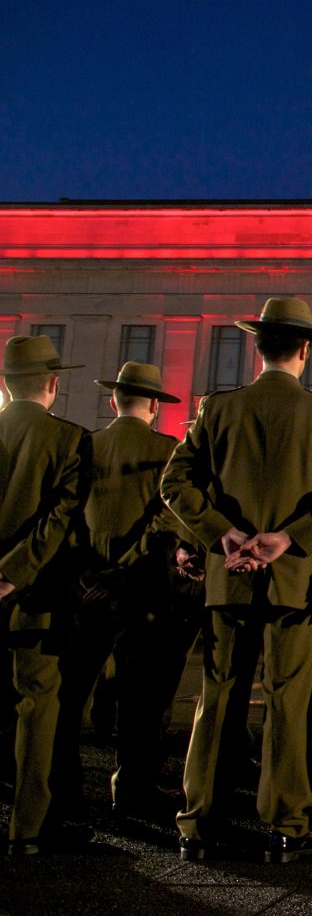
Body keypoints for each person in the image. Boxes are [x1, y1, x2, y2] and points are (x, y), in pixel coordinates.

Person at [161, 298, 312, 862]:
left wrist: (224, 534)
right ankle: (284, 823)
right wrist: (290, 538)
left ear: (257, 348)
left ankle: (197, 824)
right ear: (305, 350)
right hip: (293, 582)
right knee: (287, 699)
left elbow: (175, 483)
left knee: (218, 695)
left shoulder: (218, 409)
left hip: (228, 576)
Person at [54, 362, 185, 826]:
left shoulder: (86, 445)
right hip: (144, 587)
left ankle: (65, 792)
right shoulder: (167, 450)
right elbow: (168, 518)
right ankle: (132, 789)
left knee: (71, 695)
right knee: (143, 698)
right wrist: (126, 565)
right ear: (154, 405)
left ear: (113, 400)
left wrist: (89, 572)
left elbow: (67, 513)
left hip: (87, 589)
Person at [0, 335, 91, 855]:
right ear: (53, 383)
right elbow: (59, 520)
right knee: (37, 709)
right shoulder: (68, 439)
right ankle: (27, 827)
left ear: (6, 384)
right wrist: (12, 574)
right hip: (36, 598)